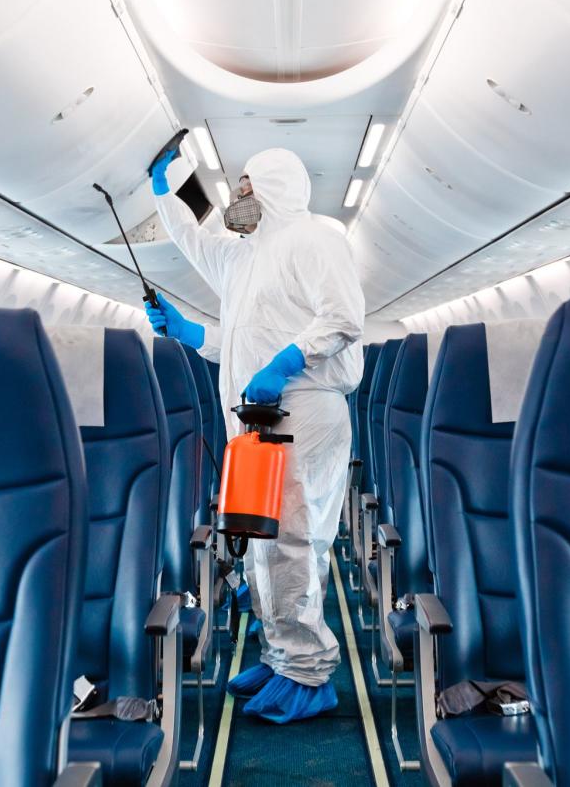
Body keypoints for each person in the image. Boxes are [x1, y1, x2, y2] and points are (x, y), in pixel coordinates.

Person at [144, 144, 364, 724]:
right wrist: (164, 193)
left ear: (271, 186)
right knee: (262, 543)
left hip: (304, 413)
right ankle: (279, 653)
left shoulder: (315, 238)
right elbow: (200, 250)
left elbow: (342, 317)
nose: (237, 197)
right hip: (257, 420)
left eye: (244, 186)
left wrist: (288, 361)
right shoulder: (245, 258)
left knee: (292, 543)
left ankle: (309, 672)